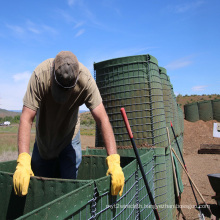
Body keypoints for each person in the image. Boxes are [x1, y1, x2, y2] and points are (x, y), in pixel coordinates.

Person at [13, 51, 125, 197]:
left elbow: (102, 119)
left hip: (70, 138)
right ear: (53, 71)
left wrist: (114, 160)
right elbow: (26, 118)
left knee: (69, 188)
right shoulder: (40, 75)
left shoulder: (86, 80)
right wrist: (23, 159)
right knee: (40, 189)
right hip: (44, 139)